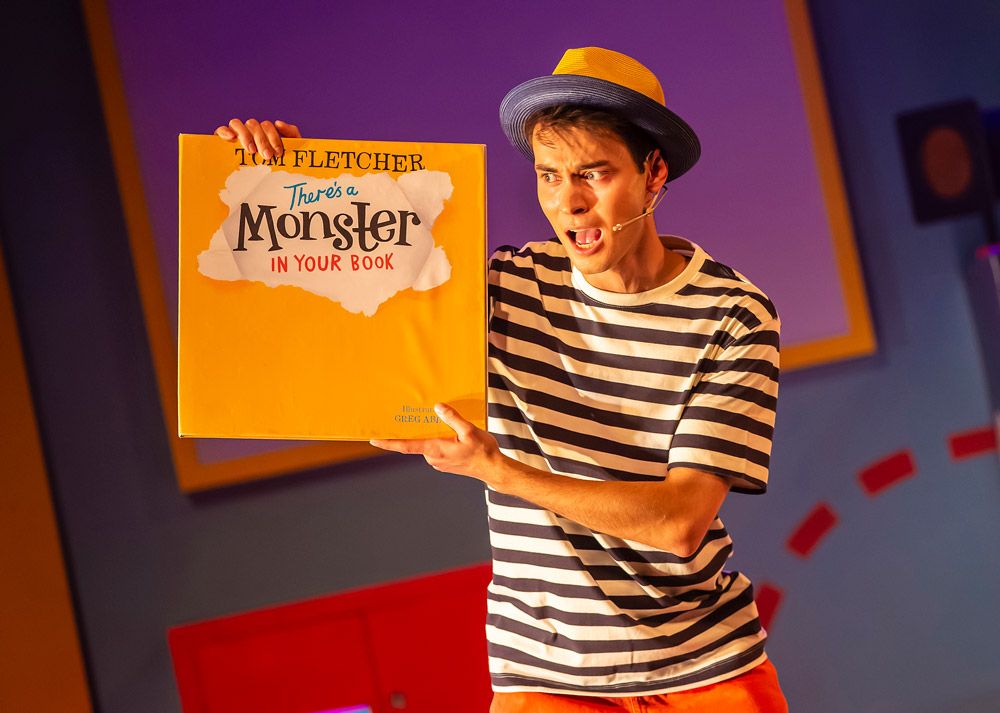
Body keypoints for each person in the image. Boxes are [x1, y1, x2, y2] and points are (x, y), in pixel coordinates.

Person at [218, 46, 787, 712]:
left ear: (654, 173)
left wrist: (500, 470)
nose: (567, 201)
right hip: (544, 678)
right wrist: (280, 179)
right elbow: (347, 331)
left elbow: (679, 522)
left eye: (594, 174)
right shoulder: (501, 289)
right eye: (549, 175)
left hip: (703, 668)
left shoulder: (733, 313)